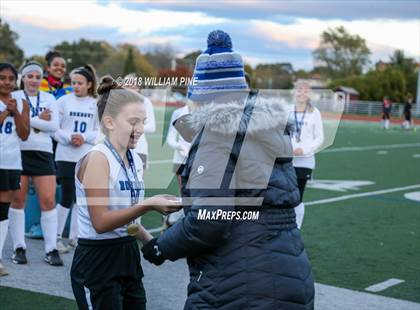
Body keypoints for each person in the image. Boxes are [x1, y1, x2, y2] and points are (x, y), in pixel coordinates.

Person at [141, 30, 315, 309]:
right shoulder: (271, 128)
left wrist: (163, 246)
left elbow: (210, 219)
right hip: (291, 274)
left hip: (239, 282)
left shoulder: (218, 134)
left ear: (207, 96)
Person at [70, 76, 181, 309]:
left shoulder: (133, 159)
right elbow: (100, 222)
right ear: (109, 122)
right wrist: (149, 204)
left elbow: (125, 214)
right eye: (133, 121)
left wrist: (149, 241)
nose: (140, 129)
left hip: (127, 253)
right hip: (98, 259)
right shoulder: (98, 158)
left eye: (143, 122)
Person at [9, 61, 61, 266]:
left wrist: (27, 119)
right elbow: (14, 123)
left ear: (42, 79)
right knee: (18, 201)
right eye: (30, 76)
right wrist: (39, 119)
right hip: (18, 152)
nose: (33, 80)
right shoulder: (15, 97)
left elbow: (54, 126)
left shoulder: (49, 98)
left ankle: (51, 249)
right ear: (23, 77)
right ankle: (19, 247)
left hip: (43, 153)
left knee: (48, 201)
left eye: (37, 77)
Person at [54, 65, 99, 253]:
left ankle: (75, 237)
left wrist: (85, 138)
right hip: (65, 154)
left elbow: (100, 131)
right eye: (73, 83)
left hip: (85, 155)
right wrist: (68, 137)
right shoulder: (63, 101)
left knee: (80, 198)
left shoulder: (96, 103)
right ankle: (55, 237)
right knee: (66, 195)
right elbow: (53, 127)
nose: (76, 86)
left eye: (80, 83)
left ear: (89, 84)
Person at [0, 63, 30, 276]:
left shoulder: (22, 101)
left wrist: (16, 112)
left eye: (11, 78)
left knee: (2, 211)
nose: (7, 82)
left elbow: (24, 134)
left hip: (11, 162)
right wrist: (5, 112)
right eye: (2, 78)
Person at [290, 80, 324, 229]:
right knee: (284, 196)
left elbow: (320, 138)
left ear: (309, 94)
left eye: (305, 90)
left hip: (305, 161)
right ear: (294, 92)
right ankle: (284, 227)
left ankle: (296, 228)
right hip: (286, 160)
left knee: (297, 197)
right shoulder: (287, 110)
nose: (302, 93)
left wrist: (304, 150)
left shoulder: (314, 112)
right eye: (299, 90)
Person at [163, 103, 191, 228]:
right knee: (182, 192)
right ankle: (172, 221)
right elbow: (170, 137)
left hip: (198, 160)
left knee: (194, 192)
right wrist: (178, 146)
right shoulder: (178, 112)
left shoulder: (206, 112)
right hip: (180, 159)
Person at [123, 73, 156, 171]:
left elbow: (152, 127)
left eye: (132, 87)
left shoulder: (145, 102)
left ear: (139, 88)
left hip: (139, 149)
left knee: (138, 184)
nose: (129, 89)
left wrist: (133, 128)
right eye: (127, 86)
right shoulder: (118, 102)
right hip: (121, 149)